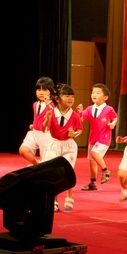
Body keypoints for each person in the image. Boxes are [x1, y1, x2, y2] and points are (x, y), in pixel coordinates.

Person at [42, 83, 83, 212]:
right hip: (53, 144)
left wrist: (74, 134)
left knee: (67, 172)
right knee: (52, 173)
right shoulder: (51, 113)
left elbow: (80, 129)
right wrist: (46, 120)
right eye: (67, 96)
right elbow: (44, 129)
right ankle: (54, 200)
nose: (70, 99)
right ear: (58, 99)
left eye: (72, 96)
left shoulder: (75, 115)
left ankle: (70, 195)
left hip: (69, 146)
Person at [76, 83, 118, 191]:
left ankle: (106, 171)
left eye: (98, 93)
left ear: (105, 97)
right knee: (92, 161)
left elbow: (115, 118)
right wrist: (80, 113)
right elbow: (81, 120)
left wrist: (113, 124)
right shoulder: (90, 109)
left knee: (95, 153)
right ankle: (93, 183)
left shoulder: (109, 109)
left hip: (104, 138)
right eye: (93, 92)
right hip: (93, 138)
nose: (94, 94)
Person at [19, 77, 55, 166]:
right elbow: (37, 117)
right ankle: (36, 163)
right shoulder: (35, 104)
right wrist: (34, 124)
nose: (41, 92)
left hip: (46, 135)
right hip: (35, 133)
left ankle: (42, 169)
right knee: (23, 150)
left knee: (45, 160)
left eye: (45, 90)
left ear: (51, 91)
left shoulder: (52, 106)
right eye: (39, 90)